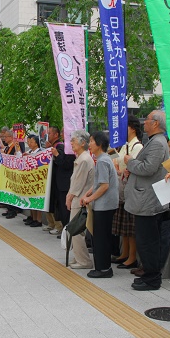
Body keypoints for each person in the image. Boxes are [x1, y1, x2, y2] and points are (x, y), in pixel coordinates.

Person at [124, 111, 170, 291]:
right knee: (146, 240)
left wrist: (130, 162)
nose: (144, 122)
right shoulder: (154, 141)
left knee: (148, 241)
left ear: (156, 123)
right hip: (145, 199)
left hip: (148, 201)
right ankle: (149, 274)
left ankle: (152, 278)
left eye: (148, 119)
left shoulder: (158, 143)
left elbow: (148, 168)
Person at [80, 131, 119, 278]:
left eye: (91, 141)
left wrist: (90, 199)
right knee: (101, 236)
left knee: (101, 238)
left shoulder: (102, 161)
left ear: (99, 144)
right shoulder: (103, 159)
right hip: (105, 205)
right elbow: (98, 183)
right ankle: (103, 267)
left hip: (105, 206)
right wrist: (88, 194)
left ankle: (103, 269)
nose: (89, 144)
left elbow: (104, 186)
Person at [112, 115, 143, 270]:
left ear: (131, 127)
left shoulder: (137, 146)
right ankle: (124, 253)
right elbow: (120, 162)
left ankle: (132, 257)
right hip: (123, 189)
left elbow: (134, 166)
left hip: (130, 190)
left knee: (131, 227)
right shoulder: (125, 146)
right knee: (124, 227)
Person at [67, 131, 95, 270]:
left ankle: (84, 261)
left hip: (80, 199)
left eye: (73, 140)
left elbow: (78, 183)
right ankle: (79, 257)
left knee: (77, 231)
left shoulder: (84, 159)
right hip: (78, 198)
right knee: (75, 231)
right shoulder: (82, 158)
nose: (71, 143)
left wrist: (70, 196)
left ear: (83, 143)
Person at [48, 126, 73, 236]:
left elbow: (66, 164)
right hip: (59, 183)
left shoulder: (64, 148)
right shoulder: (64, 146)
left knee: (65, 209)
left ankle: (67, 231)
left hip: (65, 184)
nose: (63, 134)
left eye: (64, 132)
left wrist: (57, 155)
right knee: (61, 208)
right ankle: (65, 231)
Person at [23, 134, 44, 227]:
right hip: (29, 179)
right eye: (29, 142)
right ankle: (33, 217)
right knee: (31, 199)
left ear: (36, 143)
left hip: (38, 180)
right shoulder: (30, 151)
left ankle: (38, 219)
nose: (30, 143)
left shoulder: (40, 152)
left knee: (37, 199)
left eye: (31, 142)